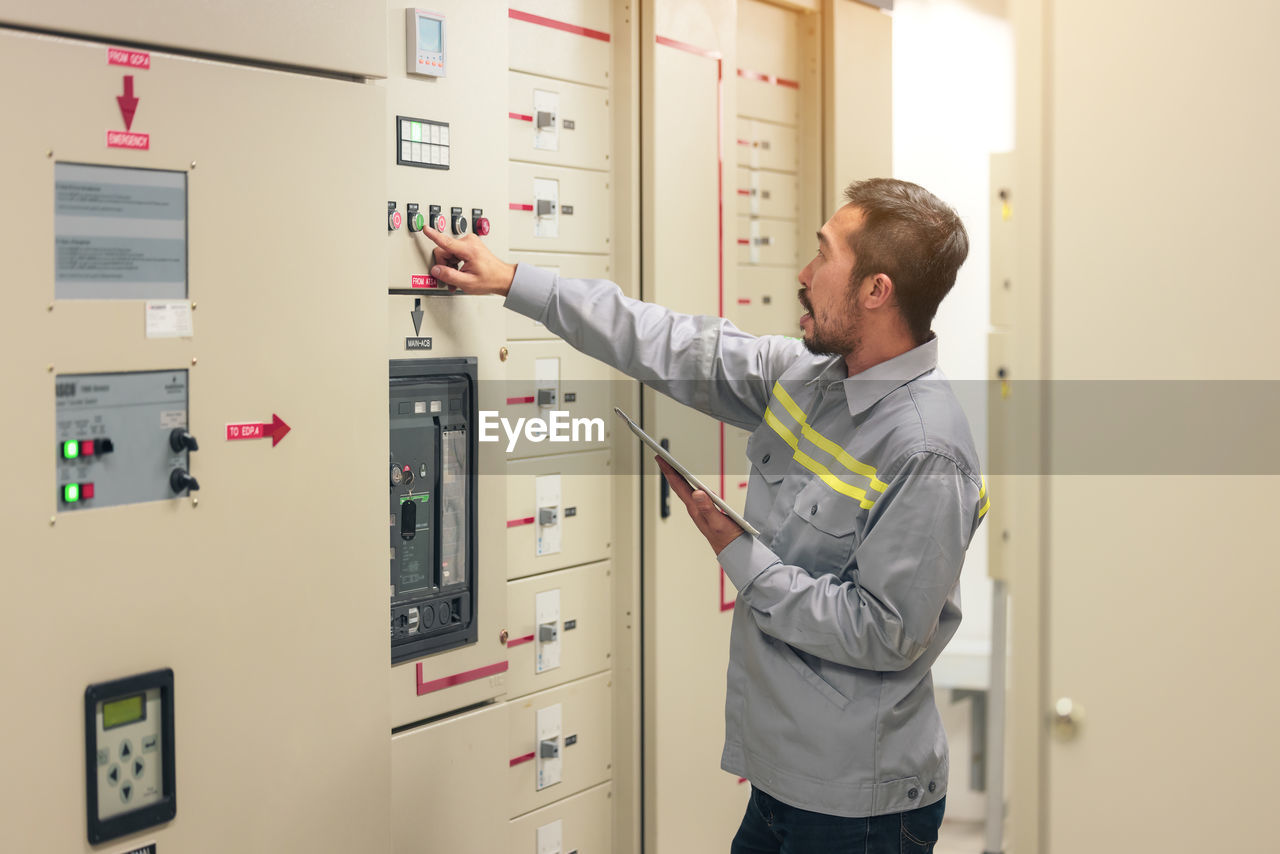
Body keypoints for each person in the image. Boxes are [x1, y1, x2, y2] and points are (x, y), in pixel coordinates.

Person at [421, 178, 987, 854]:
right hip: (784, 786)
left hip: (858, 811)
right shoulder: (808, 378)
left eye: (824, 256)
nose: (803, 276)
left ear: (876, 290)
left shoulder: (926, 450)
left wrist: (738, 552)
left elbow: (886, 633)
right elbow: (670, 342)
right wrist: (514, 281)